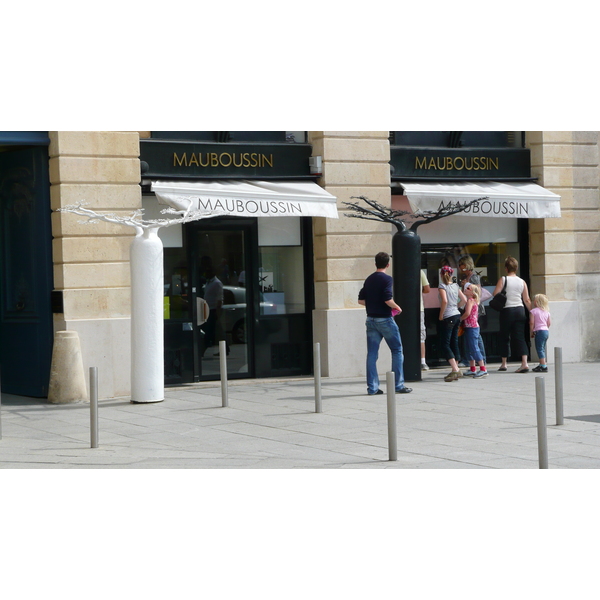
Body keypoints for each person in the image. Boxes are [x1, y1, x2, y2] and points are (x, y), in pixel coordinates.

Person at [358, 252, 412, 395]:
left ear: (375, 263)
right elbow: (387, 298)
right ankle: (398, 385)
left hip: (370, 319)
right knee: (397, 350)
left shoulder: (369, 279)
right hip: (385, 319)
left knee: (372, 354)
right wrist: (396, 307)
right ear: (388, 264)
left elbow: (361, 300)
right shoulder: (387, 279)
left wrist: (373, 303)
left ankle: (373, 388)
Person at [493, 256, 532, 373]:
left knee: (504, 336)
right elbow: (527, 300)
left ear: (506, 268)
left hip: (507, 311)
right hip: (520, 310)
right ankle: (524, 363)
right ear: (516, 268)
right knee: (520, 337)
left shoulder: (503, 279)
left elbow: (495, 293)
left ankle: (504, 363)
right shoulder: (522, 282)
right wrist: (532, 313)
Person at [438, 265, 467, 382]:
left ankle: (455, 369)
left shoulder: (442, 286)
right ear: (451, 275)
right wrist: (456, 307)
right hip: (456, 314)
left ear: (441, 275)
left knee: (445, 343)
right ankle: (456, 368)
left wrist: (441, 314)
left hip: (448, 315)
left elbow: (444, 301)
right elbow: (464, 300)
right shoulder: (456, 286)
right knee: (454, 341)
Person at [458, 255, 487, 365]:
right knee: (474, 336)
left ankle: (477, 360)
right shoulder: (468, 276)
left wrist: (467, 284)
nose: (460, 267)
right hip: (472, 307)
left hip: (474, 309)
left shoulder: (473, 276)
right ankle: (475, 360)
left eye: (462, 264)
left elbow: (477, 291)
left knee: (475, 336)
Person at [460, 284, 487, 378]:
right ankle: (472, 368)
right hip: (470, 327)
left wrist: (460, 319)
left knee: (474, 347)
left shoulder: (470, 301)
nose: (465, 289)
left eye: (468, 288)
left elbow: (467, 313)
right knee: (469, 348)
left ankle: (483, 369)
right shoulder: (472, 300)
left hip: (472, 327)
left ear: (472, 292)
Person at [530, 293, 551, 372]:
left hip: (539, 331)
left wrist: (532, 331)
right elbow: (549, 323)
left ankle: (543, 365)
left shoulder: (533, 311)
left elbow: (532, 322)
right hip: (546, 331)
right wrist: (545, 328)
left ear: (537, 302)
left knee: (539, 348)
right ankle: (542, 363)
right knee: (543, 348)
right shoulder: (547, 312)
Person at [420, 269, 431, 370]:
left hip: (402, 308)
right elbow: (427, 289)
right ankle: (422, 361)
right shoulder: (420, 272)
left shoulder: (401, 269)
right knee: (421, 336)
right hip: (419, 308)